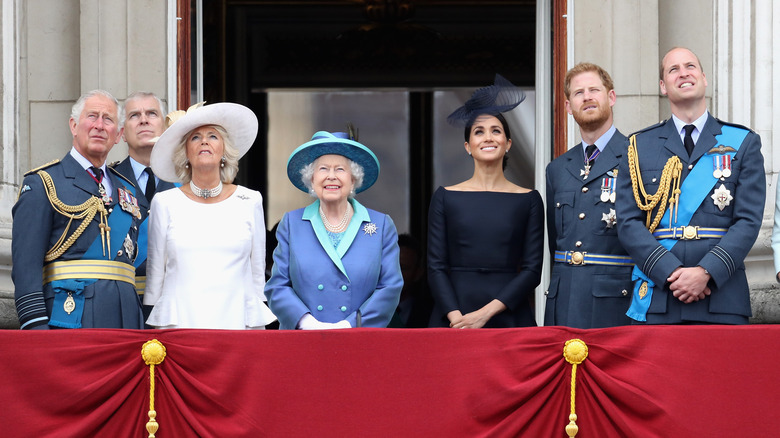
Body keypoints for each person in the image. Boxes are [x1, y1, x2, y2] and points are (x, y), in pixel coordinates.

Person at [615, 47, 765, 324]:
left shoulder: (742, 142)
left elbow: (748, 220)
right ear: (663, 86)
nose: (683, 73)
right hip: (661, 294)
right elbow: (627, 222)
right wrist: (670, 272)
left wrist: (706, 271)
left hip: (722, 295)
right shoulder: (638, 146)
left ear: (704, 78)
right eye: (673, 69)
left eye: (690, 66)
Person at [11, 89, 144, 329]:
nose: (99, 126)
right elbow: (25, 268)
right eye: (92, 116)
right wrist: (36, 328)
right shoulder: (44, 183)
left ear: (118, 135)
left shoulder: (128, 190)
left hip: (127, 322)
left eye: (108, 119)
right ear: (74, 125)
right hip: (70, 319)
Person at [144, 102, 276, 329]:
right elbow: (155, 276)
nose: (204, 141)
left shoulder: (250, 200)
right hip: (180, 325)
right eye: (195, 137)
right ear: (185, 153)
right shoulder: (165, 202)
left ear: (224, 150)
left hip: (236, 324)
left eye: (213, 136)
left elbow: (257, 278)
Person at [428, 74, 544, 328]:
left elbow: (532, 271)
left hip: (508, 315)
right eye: (479, 132)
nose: (488, 137)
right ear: (468, 146)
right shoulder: (445, 197)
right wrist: (455, 317)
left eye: (496, 131)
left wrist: (485, 314)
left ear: (508, 143)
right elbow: (436, 267)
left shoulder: (530, 200)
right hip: (453, 317)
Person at [265, 129, 403, 329]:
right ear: (311, 179)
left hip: (360, 339)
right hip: (303, 340)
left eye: (340, 169)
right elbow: (277, 286)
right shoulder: (292, 223)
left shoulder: (381, 225)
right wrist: (307, 323)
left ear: (353, 179)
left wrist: (350, 325)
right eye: (323, 169)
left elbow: (390, 288)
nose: (331, 176)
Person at [544, 63, 633, 328]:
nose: (587, 96)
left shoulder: (636, 156)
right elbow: (554, 242)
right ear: (569, 106)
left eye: (594, 89)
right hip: (564, 300)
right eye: (579, 92)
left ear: (611, 97)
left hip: (615, 301)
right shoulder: (557, 169)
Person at [111, 92, 175, 311]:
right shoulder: (108, 182)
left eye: (152, 113)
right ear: (123, 133)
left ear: (165, 128)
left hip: (175, 304)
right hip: (123, 304)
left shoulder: (185, 183)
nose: (144, 120)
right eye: (134, 115)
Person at [388, 234, 434, 328]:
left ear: (418, 273)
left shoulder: (430, 314)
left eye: (403, 268)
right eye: (392, 266)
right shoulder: (369, 309)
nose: (396, 273)